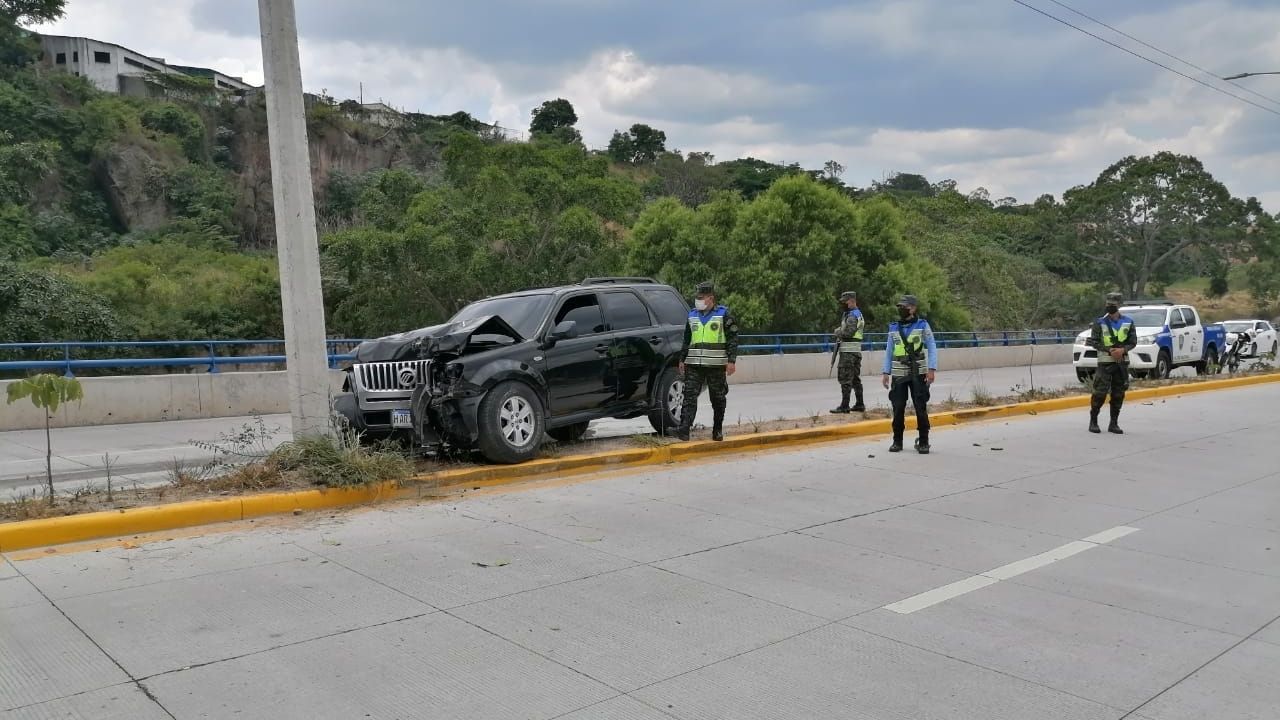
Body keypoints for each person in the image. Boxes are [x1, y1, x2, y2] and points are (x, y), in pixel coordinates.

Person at [677, 282, 739, 441]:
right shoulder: (692, 315)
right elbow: (686, 339)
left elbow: (733, 338)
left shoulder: (723, 314)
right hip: (694, 365)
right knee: (689, 396)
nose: (697, 301)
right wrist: (682, 359)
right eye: (697, 298)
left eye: (701, 298)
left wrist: (731, 360)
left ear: (710, 298)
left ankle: (717, 429)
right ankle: (684, 429)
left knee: (717, 399)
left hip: (716, 366)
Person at [881, 294, 938, 454]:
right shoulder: (893, 327)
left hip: (918, 372)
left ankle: (924, 442)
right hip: (898, 373)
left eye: (904, 307)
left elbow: (932, 346)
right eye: (899, 307)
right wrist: (886, 372)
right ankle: (897, 441)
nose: (901, 309)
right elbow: (889, 351)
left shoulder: (922, 325)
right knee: (898, 407)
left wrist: (931, 369)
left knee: (920, 406)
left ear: (913, 308)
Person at [1086, 292, 1137, 434]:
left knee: (1118, 394)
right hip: (1105, 363)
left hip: (1121, 363)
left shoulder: (1128, 322)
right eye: (1108, 305)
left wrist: (1122, 350)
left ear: (1119, 305)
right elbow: (1094, 342)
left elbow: (1133, 342)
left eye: (1113, 305)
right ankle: (1093, 421)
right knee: (1099, 393)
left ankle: (1113, 423)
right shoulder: (1099, 322)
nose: (1110, 307)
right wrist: (1110, 351)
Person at [830, 291, 866, 414]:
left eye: (844, 302)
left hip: (848, 353)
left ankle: (845, 406)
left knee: (846, 379)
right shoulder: (856, 314)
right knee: (855, 379)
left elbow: (847, 333)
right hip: (855, 351)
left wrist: (837, 332)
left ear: (851, 301)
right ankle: (860, 404)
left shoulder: (852, 316)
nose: (843, 304)